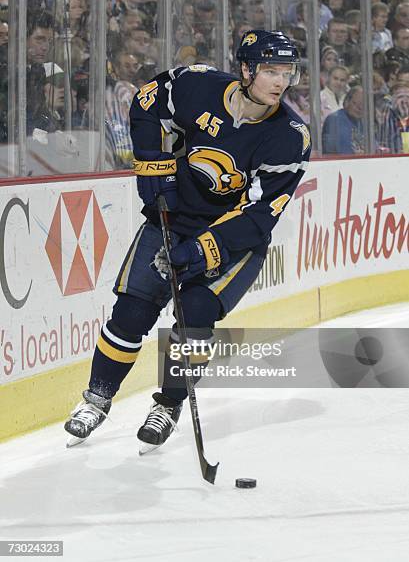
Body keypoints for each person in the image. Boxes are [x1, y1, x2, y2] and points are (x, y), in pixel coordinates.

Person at [64, 30, 311, 449]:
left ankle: (169, 404)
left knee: (194, 315)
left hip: (234, 242)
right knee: (131, 313)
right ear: (246, 69)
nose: (279, 82)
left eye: (287, 73)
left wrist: (200, 251)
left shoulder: (289, 135)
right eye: (270, 71)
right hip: (174, 218)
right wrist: (155, 168)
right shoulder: (197, 85)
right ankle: (97, 398)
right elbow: (147, 102)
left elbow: (260, 214)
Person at [322, 85, 364, 154]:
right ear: (347, 101)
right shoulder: (334, 120)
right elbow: (329, 152)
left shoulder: (364, 122)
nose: (360, 108)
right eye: (356, 103)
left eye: (363, 105)